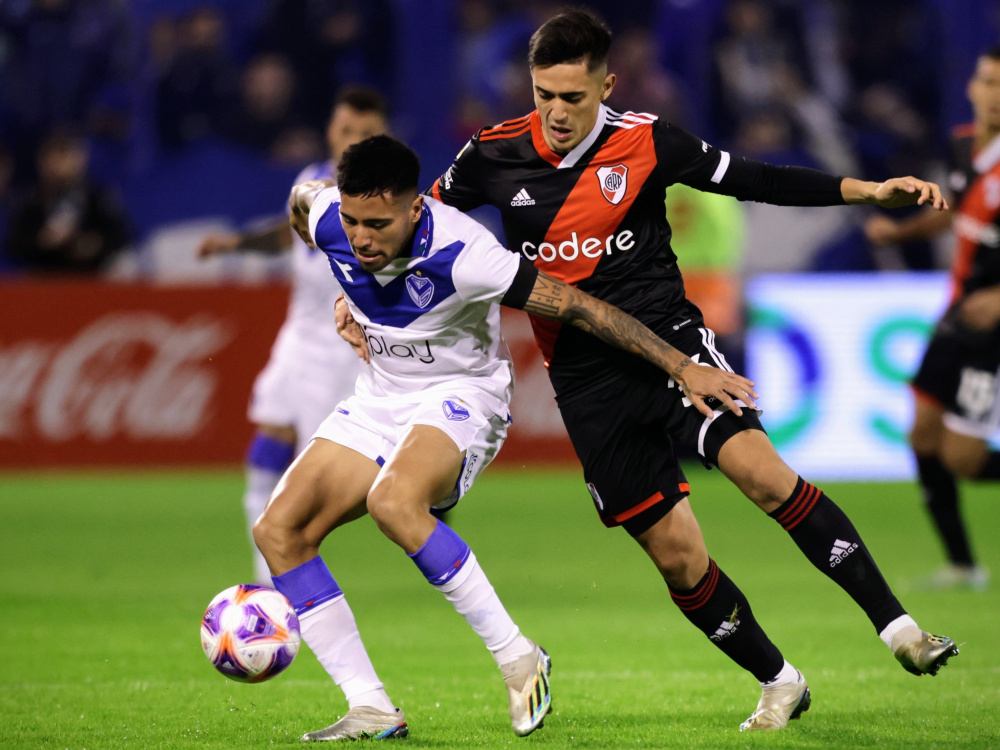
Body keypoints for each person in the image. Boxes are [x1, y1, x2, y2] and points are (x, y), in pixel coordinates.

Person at [415, 8, 957, 732]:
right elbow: (422, 228)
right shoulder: (491, 154)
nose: (557, 112)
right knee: (677, 558)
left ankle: (900, 630)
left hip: (675, 351)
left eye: (573, 97)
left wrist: (864, 191)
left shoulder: (647, 141)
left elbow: (755, 178)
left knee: (763, 475)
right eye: (544, 94)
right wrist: (363, 301)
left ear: (606, 85)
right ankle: (779, 681)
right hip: (585, 382)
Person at [255, 134, 759, 741]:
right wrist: (347, 295)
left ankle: (520, 661)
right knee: (278, 530)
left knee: (392, 502)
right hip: (380, 397)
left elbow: (578, 307)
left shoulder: (467, 254)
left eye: (378, 224)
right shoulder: (329, 215)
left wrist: (680, 365)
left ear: (416, 209)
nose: (362, 238)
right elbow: (300, 199)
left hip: (463, 397)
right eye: (354, 222)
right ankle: (370, 705)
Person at [198, 87, 389, 584]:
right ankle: (267, 580)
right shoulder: (310, 180)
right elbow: (289, 232)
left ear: (381, 139)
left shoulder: (386, 203)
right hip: (296, 337)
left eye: (366, 135)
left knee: (311, 484)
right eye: (346, 130)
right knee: (266, 446)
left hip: (339, 355)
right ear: (330, 130)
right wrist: (235, 244)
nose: (353, 142)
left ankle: (290, 578)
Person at [864, 47, 1000, 591]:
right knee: (922, 433)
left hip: (993, 326)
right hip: (957, 311)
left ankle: (966, 565)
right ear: (971, 86)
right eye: (986, 80)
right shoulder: (964, 145)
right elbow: (953, 215)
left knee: (964, 459)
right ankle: (964, 566)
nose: (992, 92)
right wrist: (899, 232)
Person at [5, 127, 129, 274]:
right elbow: (14, 243)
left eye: (65, 154)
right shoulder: (30, 200)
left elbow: (121, 236)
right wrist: (42, 240)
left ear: (80, 159)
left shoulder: (96, 198)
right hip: (42, 282)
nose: (58, 163)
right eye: (52, 154)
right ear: (41, 159)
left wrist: (94, 243)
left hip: (92, 280)